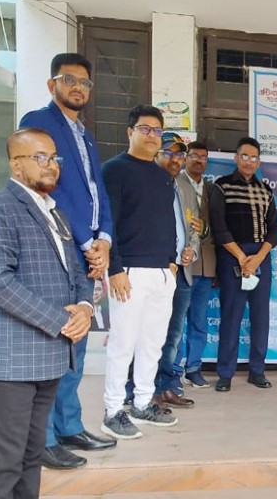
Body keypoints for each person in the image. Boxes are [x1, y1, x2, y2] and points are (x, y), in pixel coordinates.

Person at [0, 128, 93, 499]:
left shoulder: (57, 215)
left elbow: (78, 274)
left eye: (54, 158)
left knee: (31, 458)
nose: (51, 165)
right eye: (40, 157)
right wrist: (62, 321)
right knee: (5, 463)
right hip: (11, 363)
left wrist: (85, 307)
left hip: (49, 359)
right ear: (16, 164)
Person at [19, 52, 116, 469]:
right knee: (53, 345)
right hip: (58, 246)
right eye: (69, 79)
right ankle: (43, 440)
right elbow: (45, 188)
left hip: (89, 252)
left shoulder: (86, 135)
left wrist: (105, 241)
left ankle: (70, 425)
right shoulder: (37, 124)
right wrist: (84, 241)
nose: (78, 87)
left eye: (84, 83)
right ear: (52, 84)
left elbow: (98, 193)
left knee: (76, 342)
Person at [101, 105, 179, 440]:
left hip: (162, 273)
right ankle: (113, 409)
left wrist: (173, 263)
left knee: (153, 343)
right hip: (129, 271)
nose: (151, 135)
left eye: (157, 130)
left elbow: (166, 223)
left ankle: (143, 402)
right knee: (123, 344)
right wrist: (115, 269)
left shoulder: (163, 174)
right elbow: (108, 225)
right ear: (129, 132)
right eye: (144, 129)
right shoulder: (114, 171)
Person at [209, 137, 277, 392]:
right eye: (245, 156)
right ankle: (225, 374)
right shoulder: (221, 187)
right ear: (236, 157)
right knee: (231, 316)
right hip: (233, 256)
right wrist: (241, 258)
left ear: (259, 162)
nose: (249, 161)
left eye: (254, 157)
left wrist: (259, 257)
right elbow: (219, 227)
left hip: (260, 256)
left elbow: (274, 229)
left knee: (261, 317)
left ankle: (257, 371)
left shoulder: (266, 191)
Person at [152, 132, 200, 408]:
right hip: (156, 271)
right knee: (149, 333)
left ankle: (167, 386)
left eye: (180, 154)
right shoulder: (148, 184)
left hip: (182, 272)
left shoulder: (185, 187)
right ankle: (140, 390)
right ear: (157, 154)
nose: (175, 158)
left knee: (173, 334)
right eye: (169, 152)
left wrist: (192, 248)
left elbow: (196, 227)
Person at [175, 141, 216, 388]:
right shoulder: (175, 183)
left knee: (199, 320)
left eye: (203, 157)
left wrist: (207, 229)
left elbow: (219, 226)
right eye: (194, 156)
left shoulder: (213, 190)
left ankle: (193, 368)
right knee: (177, 321)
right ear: (185, 158)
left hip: (206, 264)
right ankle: (172, 370)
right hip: (181, 264)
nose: (198, 161)